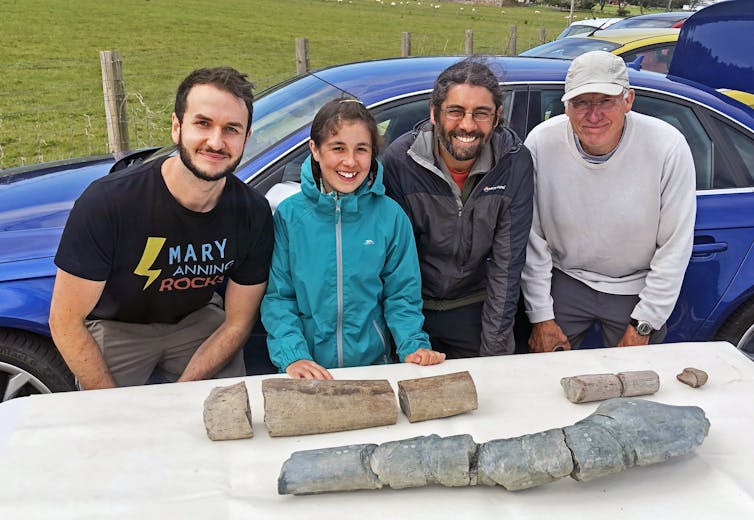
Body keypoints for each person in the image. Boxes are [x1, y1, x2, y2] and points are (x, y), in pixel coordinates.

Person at [49, 67, 274, 389]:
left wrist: (181, 395)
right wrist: (111, 406)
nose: (216, 141)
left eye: (231, 129)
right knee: (107, 429)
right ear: (176, 127)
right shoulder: (109, 201)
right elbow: (65, 321)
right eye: (203, 123)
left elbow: (238, 322)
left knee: (227, 414)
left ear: (246, 138)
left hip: (197, 319)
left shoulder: (253, 211)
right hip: (118, 325)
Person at [521, 51, 696, 352]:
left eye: (605, 101)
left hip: (636, 285)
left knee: (634, 383)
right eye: (581, 103)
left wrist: (645, 322)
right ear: (565, 105)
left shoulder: (667, 146)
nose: (593, 115)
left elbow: (674, 247)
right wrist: (541, 317)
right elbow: (530, 238)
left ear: (628, 100)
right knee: (543, 376)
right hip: (565, 278)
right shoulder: (541, 143)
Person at [261, 98, 445, 380]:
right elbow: (279, 299)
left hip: (373, 372)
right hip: (306, 373)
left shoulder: (390, 217)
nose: (350, 161)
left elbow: (402, 297)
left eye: (362, 149)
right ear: (315, 150)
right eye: (338, 148)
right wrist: (292, 355)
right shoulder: (289, 217)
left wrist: (414, 346)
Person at [382, 57, 534, 358]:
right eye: (455, 112)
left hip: (474, 309)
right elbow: (393, 263)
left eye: (481, 114)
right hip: (409, 311)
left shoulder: (514, 162)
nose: (467, 125)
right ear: (434, 113)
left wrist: (493, 354)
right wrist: (409, 339)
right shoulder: (401, 161)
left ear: (498, 116)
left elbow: (508, 264)